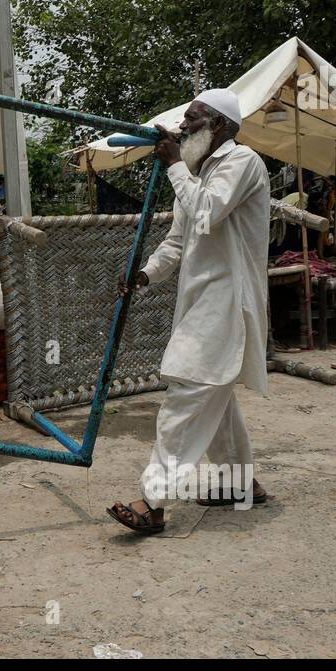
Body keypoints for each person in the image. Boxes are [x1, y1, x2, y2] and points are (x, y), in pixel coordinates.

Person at [107, 88, 271, 534]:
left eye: (193, 121)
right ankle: (240, 484)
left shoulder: (242, 163)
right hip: (204, 303)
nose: (183, 128)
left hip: (227, 303)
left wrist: (175, 164)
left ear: (218, 126)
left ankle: (153, 501)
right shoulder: (198, 174)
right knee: (213, 394)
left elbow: (207, 214)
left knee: (187, 395)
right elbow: (179, 241)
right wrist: (145, 275)